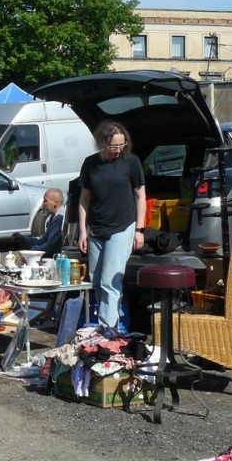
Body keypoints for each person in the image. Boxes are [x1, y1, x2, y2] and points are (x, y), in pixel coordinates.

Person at [77, 120, 146, 330]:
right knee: (96, 281)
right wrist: (82, 232)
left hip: (122, 227)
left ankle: (109, 331)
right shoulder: (90, 164)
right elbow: (84, 199)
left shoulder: (131, 162)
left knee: (110, 281)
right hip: (96, 229)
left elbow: (140, 196)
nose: (118, 150)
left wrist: (139, 230)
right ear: (102, 144)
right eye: (114, 146)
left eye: (121, 145)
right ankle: (106, 327)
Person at [14, 188, 66, 256]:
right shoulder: (53, 217)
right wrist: (24, 239)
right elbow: (43, 239)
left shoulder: (59, 219)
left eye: (45, 201)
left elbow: (50, 246)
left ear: (55, 203)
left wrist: (32, 251)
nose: (43, 204)